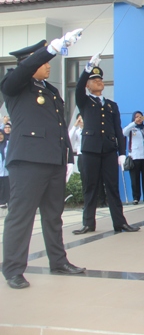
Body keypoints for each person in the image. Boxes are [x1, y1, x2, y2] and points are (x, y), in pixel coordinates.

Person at [2, 35, 86, 289]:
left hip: (53, 160)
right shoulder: (14, 84)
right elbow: (23, 72)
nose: (49, 64)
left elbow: (60, 127)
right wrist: (49, 49)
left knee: (53, 216)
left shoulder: (50, 90)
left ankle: (58, 261)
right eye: (45, 60)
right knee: (21, 217)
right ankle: (14, 269)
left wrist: (67, 157)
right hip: (28, 161)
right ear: (29, 62)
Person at [73, 61, 139, 235]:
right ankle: (88, 223)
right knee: (90, 186)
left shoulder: (111, 105)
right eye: (94, 80)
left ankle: (120, 222)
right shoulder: (85, 101)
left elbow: (118, 130)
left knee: (112, 187)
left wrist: (122, 153)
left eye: (100, 79)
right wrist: (86, 70)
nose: (99, 82)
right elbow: (78, 88)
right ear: (88, 85)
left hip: (109, 151)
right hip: (90, 151)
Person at [123, 111, 144, 204]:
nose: (139, 118)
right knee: (135, 179)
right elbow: (124, 132)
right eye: (136, 117)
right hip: (134, 156)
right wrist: (134, 123)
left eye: (140, 117)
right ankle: (136, 198)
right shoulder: (131, 128)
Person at [0, 131, 8, 209]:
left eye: (1, 134)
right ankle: (1, 201)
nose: (0, 136)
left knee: (7, 186)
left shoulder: (8, 144)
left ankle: (8, 200)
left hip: (7, 170)